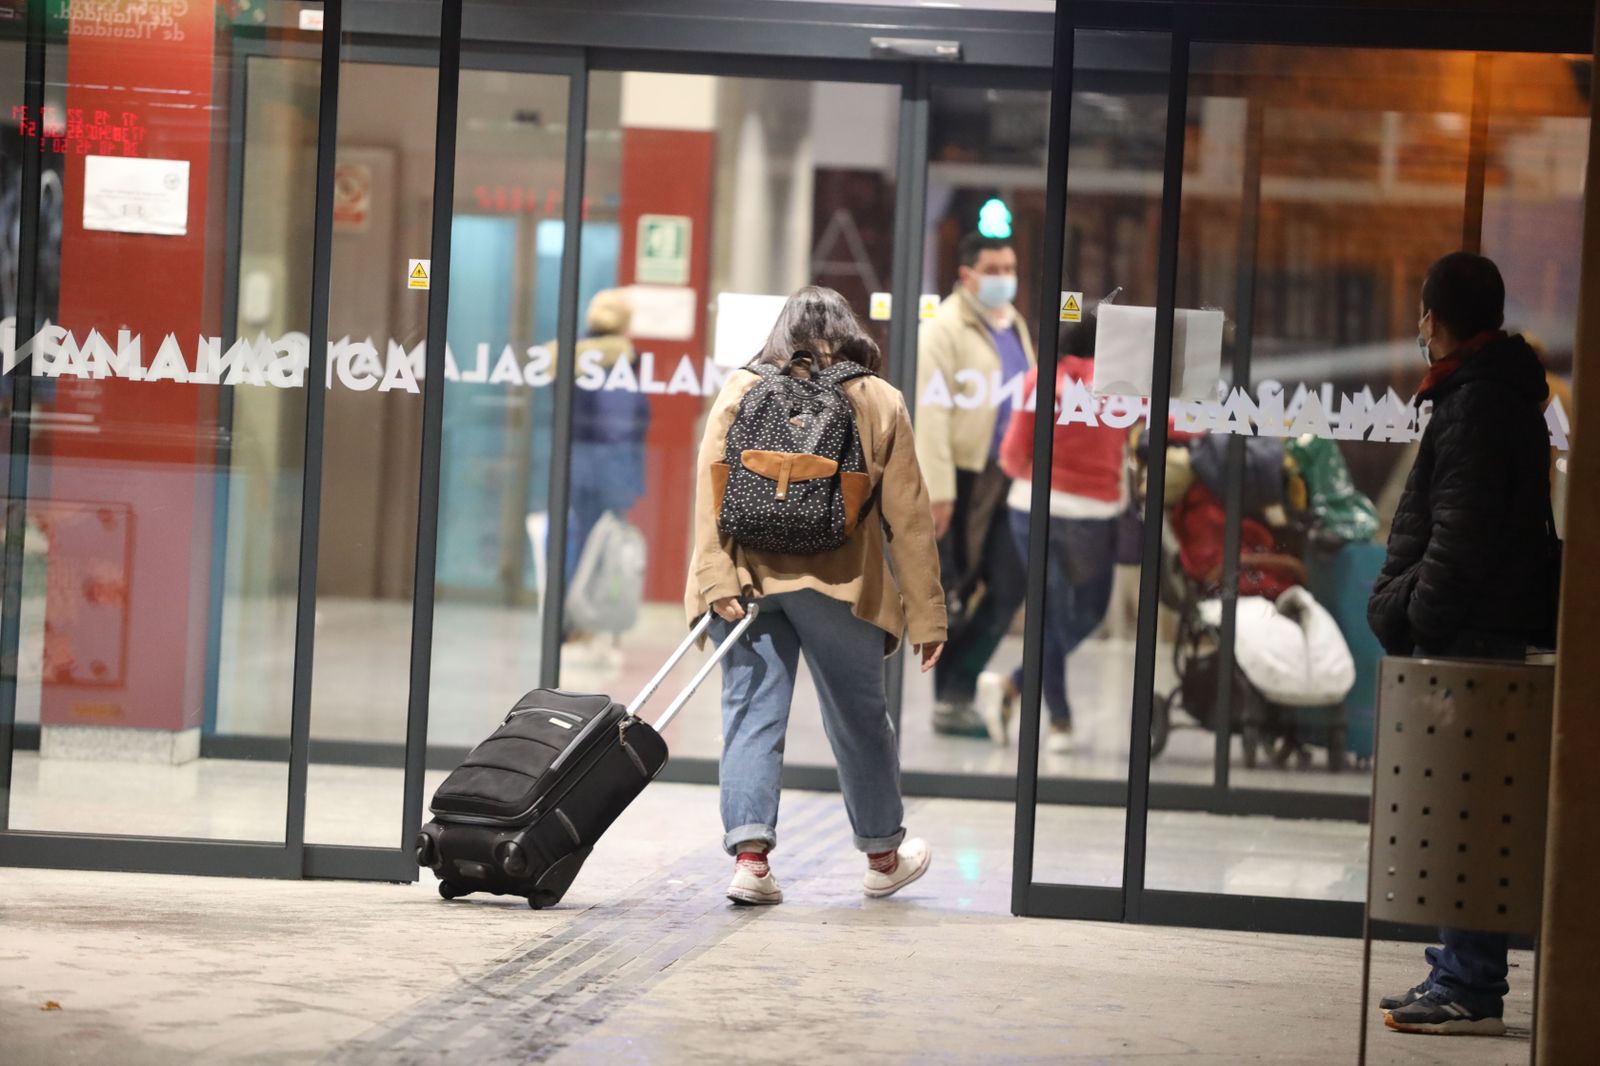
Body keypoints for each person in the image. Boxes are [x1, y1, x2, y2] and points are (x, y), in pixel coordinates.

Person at [687, 285, 948, 906]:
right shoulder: (878, 398)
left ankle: (751, 863)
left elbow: (709, 490)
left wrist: (715, 578)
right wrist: (928, 615)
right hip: (843, 588)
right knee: (860, 721)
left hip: (748, 584)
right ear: (850, 331)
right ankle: (882, 858)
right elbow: (909, 518)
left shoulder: (742, 387)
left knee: (751, 715)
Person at [1367, 252, 1559, 1037]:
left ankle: (1471, 985)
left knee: (1468, 809)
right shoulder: (1489, 392)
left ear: (1437, 317)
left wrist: (1417, 614)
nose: (1418, 324)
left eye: (1423, 309)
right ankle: (1458, 969)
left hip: (1471, 634)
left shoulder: (1477, 403)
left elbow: (1461, 535)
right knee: (1462, 805)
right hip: (1477, 626)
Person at [975, 317, 1125, 751]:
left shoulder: (1041, 381)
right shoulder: (1122, 387)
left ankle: (1016, 688)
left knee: (1050, 615)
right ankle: (1058, 717)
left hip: (1034, 507)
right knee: (1086, 613)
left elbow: (1011, 455)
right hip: (1096, 515)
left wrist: (1046, 471)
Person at [915, 232, 1035, 738]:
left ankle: (960, 684)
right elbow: (930, 412)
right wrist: (939, 490)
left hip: (1009, 476)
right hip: (965, 476)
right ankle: (951, 700)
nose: (1004, 277)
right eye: (993, 269)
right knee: (958, 587)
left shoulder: (1013, 324)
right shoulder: (944, 329)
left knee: (1012, 582)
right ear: (966, 275)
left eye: (1009, 268)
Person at [566, 289, 650, 583]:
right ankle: (582, 604)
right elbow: (618, 425)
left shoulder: (574, 354)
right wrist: (624, 482)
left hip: (576, 464)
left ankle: (571, 601)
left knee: (582, 538)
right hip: (606, 469)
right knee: (599, 545)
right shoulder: (617, 359)